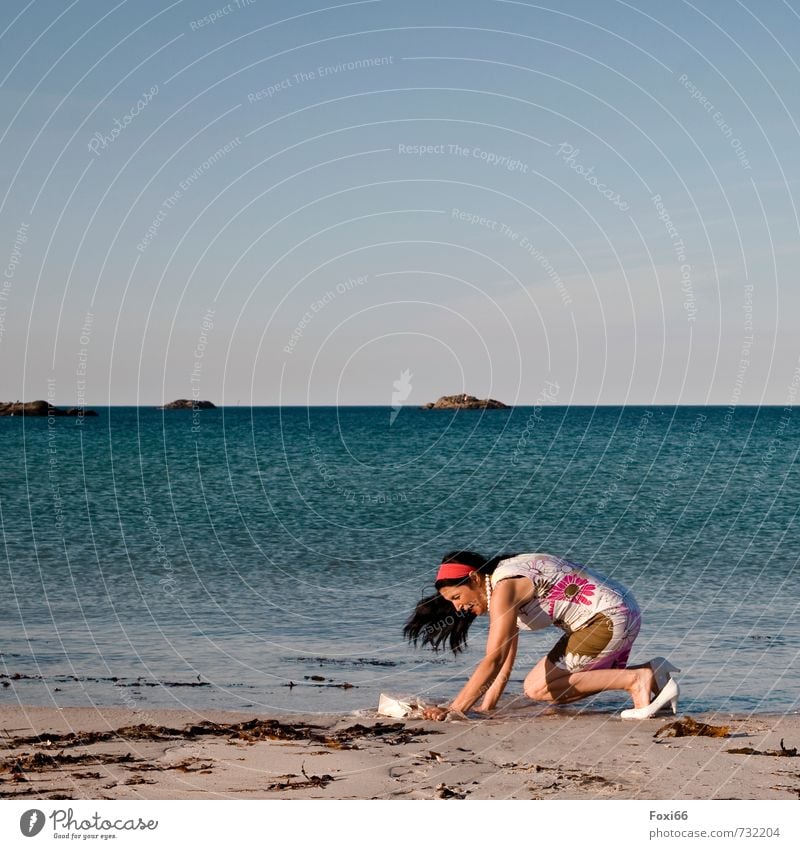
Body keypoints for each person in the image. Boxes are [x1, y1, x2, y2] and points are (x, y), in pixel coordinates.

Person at [403, 550, 679, 720]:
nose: (458, 607)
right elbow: (504, 663)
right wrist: (484, 709)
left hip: (606, 619)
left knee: (537, 688)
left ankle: (636, 679)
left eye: (457, 596)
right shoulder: (506, 578)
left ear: (474, 578)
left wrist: (456, 709)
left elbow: (493, 659)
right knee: (556, 691)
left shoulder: (503, 588)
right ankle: (651, 673)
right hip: (619, 611)